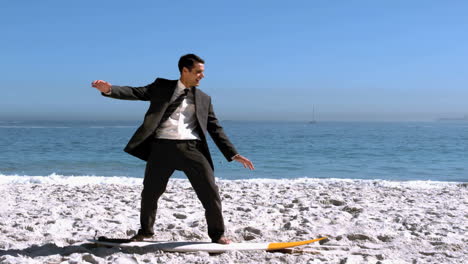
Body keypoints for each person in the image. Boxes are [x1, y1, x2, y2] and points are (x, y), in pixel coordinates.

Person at [91, 54, 254, 244]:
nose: (202, 76)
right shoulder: (161, 87)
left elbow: (214, 128)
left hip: (192, 149)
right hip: (162, 148)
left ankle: (217, 235)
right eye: (198, 72)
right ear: (185, 71)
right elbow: (136, 92)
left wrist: (233, 153)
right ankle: (145, 232)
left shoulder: (204, 99)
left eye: (202, 72)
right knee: (150, 193)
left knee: (210, 192)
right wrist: (110, 90)